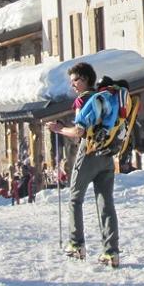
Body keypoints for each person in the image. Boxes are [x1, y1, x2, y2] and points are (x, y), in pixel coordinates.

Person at [45, 61, 120, 267]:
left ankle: (76, 244)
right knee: (105, 202)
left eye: (75, 80)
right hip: (107, 154)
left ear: (85, 79)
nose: (73, 85)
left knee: (75, 198)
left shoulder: (84, 101)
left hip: (88, 152)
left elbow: (79, 131)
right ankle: (111, 252)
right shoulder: (106, 98)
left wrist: (59, 129)